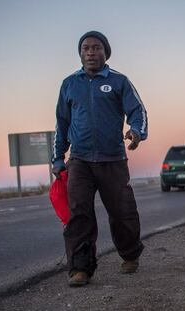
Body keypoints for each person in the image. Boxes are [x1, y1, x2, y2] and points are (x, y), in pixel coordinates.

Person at [51, 31, 148, 287]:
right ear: (80, 53)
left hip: (113, 159)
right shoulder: (70, 84)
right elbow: (61, 124)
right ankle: (80, 269)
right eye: (86, 48)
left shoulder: (119, 81)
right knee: (79, 214)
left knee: (121, 211)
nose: (90, 52)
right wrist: (58, 158)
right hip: (80, 160)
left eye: (96, 48)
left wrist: (136, 132)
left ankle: (129, 254)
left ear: (105, 52)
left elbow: (138, 111)